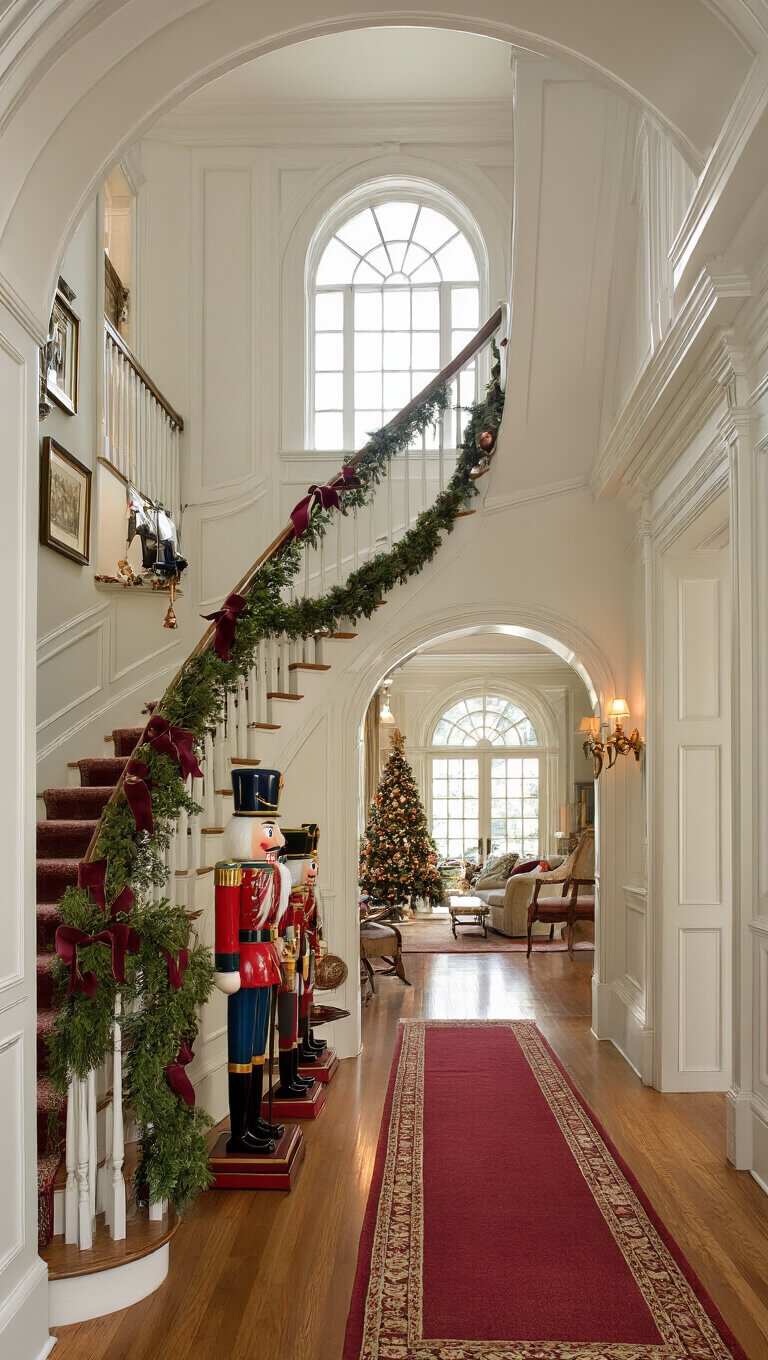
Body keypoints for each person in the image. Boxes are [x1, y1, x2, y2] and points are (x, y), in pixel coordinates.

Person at [213, 767, 290, 1153]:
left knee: (259, 1045)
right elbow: (226, 923)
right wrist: (226, 966)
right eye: (270, 829)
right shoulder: (232, 872)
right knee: (242, 1047)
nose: (279, 839)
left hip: (265, 961)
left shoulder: (275, 873)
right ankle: (239, 1132)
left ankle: (255, 1119)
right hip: (243, 965)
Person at [283, 824, 326, 1062]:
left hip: (306, 950)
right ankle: (296, 1047)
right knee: (295, 1000)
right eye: (310, 864)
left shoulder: (309, 892)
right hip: (294, 956)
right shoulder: (290, 896)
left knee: (307, 995)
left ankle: (305, 1039)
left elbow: (313, 923)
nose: (314, 870)